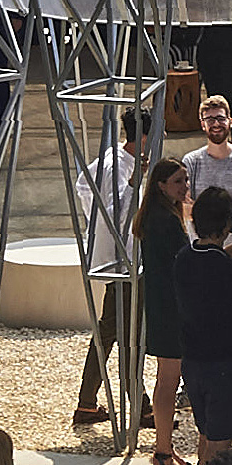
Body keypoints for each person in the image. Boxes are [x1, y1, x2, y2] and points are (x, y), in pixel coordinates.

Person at [69, 111, 149, 434]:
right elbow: (112, 208)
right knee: (123, 330)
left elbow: (84, 189)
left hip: (122, 258)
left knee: (112, 328)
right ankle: (138, 406)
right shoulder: (117, 164)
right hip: (122, 261)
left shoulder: (114, 159)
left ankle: (88, 401)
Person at [175, 190, 232, 465]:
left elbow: (215, 259)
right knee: (219, 450)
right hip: (224, 368)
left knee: (208, 438)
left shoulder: (185, 257)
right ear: (227, 224)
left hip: (193, 364)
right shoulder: (227, 271)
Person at [134, 159, 195, 465]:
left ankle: (165, 449)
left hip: (164, 305)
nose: (184, 186)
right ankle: (161, 451)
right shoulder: (164, 221)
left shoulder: (160, 216)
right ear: (161, 185)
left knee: (166, 380)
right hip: (170, 308)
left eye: (185, 180)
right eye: (177, 181)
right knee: (168, 381)